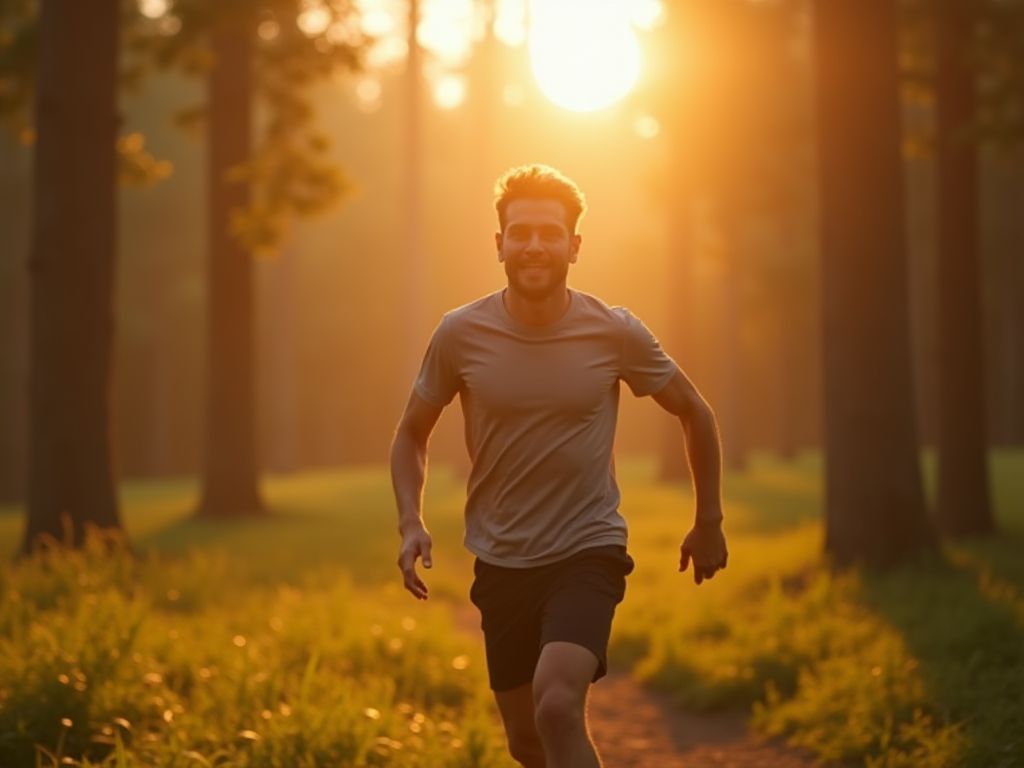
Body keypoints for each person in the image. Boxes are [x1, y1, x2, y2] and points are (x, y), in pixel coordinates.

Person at [389, 164, 728, 768]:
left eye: (550, 233)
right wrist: (410, 521)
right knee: (527, 742)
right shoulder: (461, 333)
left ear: (574, 245)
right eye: (520, 233)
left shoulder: (614, 331)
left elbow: (694, 412)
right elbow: (412, 432)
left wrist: (709, 520)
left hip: (586, 549)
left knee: (555, 706)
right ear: (499, 246)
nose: (535, 246)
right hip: (500, 558)